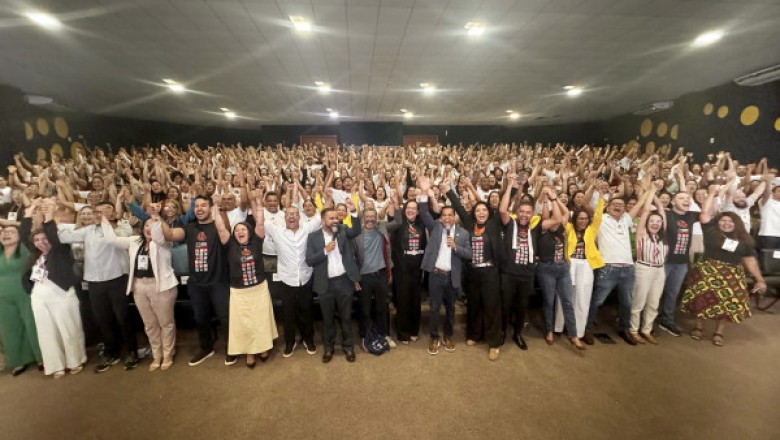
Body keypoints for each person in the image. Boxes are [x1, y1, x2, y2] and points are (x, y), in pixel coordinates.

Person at [680, 186, 767, 346]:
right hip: (707, 271)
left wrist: (759, 279)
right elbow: (705, 214)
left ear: (737, 224)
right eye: (723, 220)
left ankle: (719, 332)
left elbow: (750, 260)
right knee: (701, 300)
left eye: (730, 221)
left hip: (732, 274)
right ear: (718, 222)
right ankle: (698, 327)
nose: (726, 223)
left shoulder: (744, 239)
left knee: (726, 303)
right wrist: (712, 193)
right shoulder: (711, 231)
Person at [58, 201, 138, 372]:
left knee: (123, 317)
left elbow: (113, 240)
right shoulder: (88, 230)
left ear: (113, 213)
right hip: (94, 281)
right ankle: (112, 352)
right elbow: (65, 236)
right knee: (103, 319)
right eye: (97, 211)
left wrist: (105, 222)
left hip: (117, 278)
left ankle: (132, 351)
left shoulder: (121, 228)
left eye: (105, 210)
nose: (99, 213)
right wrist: (54, 219)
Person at [100, 214, 178, 371]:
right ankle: (157, 354)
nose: (149, 228)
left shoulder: (163, 242)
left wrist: (156, 220)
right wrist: (103, 220)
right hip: (139, 286)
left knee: (165, 323)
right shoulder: (134, 241)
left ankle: (168, 353)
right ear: (142, 229)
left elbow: (158, 236)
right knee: (150, 324)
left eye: (152, 225)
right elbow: (112, 240)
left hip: (161, 286)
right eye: (146, 226)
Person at [161, 196, 232, 367]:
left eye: (203, 205)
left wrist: (220, 210)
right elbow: (169, 235)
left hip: (219, 281)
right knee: (200, 318)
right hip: (197, 283)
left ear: (210, 207)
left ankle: (232, 348)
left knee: (225, 317)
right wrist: (157, 217)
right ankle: (206, 348)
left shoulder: (218, 225)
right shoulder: (190, 227)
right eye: (197, 206)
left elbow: (227, 233)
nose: (199, 209)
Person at [21, 199, 86, 378]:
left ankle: (75, 360)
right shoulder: (36, 255)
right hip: (39, 296)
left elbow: (52, 233)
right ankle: (55, 365)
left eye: (44, 239)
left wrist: (49, 215)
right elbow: (24, 233)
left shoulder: (61, 250)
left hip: (62, 293)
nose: (41, 242)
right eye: (37, 240)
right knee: (46, 332)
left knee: (68, 327)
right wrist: (31, 210)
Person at [213, 191, 277, 368]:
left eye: (243, 229)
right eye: (237, 230)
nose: (240, 231)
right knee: (245, 321)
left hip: (259, 287)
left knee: (260, 318)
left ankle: (263, 346)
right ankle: (250, 351)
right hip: (239, 291)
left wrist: (257, 202)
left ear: (249, 232)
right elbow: (219, 227)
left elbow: (260, 221)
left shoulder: (257, 241)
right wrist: (216, 207)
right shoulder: (230, 244)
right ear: (233, 234)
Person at [442, 178, 503, 361]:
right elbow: (460, 209)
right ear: (474, 214)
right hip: (473, 272)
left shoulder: (493, 225)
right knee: (474, 304)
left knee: (491, 306)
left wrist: (470, 187)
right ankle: (475, 334)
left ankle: (494, 343)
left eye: (484, 210)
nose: (481, 213)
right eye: (478, 210)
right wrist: (449, 191)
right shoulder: (470, 225)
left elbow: (495, 209)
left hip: (490, 271)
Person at [416, 176, 472, 355]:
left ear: (455, 217)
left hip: (452, 276)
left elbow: (469, 254)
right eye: (444, 215)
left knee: (450, 308)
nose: (447, 218)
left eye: (450, 215)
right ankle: (434, 337)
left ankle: (448, 335)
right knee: (433, 308)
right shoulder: (436, 228)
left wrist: (456, 247)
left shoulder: (463, 234)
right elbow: (424, 213)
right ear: (441, 218)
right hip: (435, 274)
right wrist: (424, 192)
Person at [305, 202, 362, 363]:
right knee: (327, 319)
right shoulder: (313, 237)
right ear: (323, 221)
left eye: (336, 218)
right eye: (331, 218)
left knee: (346, 317)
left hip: (344, 281)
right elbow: (309, 260)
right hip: (325, 285)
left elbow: (357, 230)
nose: (335, 220)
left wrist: (353, 211)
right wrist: (324, 251)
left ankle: (348, 347)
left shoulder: (343, 231)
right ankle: (329, 348)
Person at [583, 195, 643, 346]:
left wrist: (651, 189)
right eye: (614, 204)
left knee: (627, 302)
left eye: (621, 205)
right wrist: (601, 194)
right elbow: (586, 205)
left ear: (625, 208)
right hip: (608, 267)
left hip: (628, 268)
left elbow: (639, 204)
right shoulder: (601, 219)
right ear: (607, 207)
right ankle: (586, 329)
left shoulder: (626, 220)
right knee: (597, 300)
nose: (618, 206)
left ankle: (625, 329)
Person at [263, 203, 321, 358]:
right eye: (288, 214)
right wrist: (256, 202)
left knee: (307, 312)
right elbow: (260, 219)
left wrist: (325, 198)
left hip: (305, 278)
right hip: (286, 280)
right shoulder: (276, 231)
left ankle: (308, 339)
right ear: (284, 217)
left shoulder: (307, 229)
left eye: (295, 214)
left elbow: (321, 215)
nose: (291, 216)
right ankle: (290, 342)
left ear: (299, 217)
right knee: (288, 314)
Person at [534, 187, 585, 351]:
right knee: (549, 301)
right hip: (546, 267)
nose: (554, 221)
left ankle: (573, 335)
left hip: (562, 268)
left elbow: (564, 215)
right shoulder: (542, 229)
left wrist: (553, 198)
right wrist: (549, 199)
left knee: (567, 302)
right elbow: (556, 217)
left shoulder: (562, 228)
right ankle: (549, 330)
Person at [555, 196, 605, 339]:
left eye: (585, 219)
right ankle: (559, 327)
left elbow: (598, 216)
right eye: (580, 219)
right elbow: (564, 214)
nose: (583, 221)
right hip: (570, 263)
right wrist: (556, 199)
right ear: (575, 219)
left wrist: (601, 198)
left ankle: (578, 331)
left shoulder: (592, 229)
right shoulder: (569, 228)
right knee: (564, 296)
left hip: (586, 264)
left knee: (583, 298)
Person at [498, 173, 537, 351]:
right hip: (509, 273)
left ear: (532, 214)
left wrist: (549, 196)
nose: (524, 215)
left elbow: (559, 218)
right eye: (521, 211)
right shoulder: (511, 223)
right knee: (505, 305)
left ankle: (517, 334)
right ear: (517, 212)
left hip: (526, 275)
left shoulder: (535, 228)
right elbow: (502, 210)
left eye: (527, 212)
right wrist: (510, 185)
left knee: (522, 307)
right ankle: (502, 333)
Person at [0, 222, 42, 376]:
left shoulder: (25, 250)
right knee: (10, 328)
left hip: (24, 292)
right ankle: (19, 361)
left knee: (31, 324)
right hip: (2, 297)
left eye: (11, 232)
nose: (6, 234)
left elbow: (27, 231)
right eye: (3, 232)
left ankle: (40, 357)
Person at [656, 191, 699, 337]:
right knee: (655, 292)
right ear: (673, 202)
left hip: (681, 262)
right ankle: (645, 320)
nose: (686, 200)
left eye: (688, 198)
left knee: (673, 293)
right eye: (681, 198)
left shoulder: (691, 216)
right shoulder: (666, 215)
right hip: (665, 260)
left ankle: (666, 319)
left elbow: (707, 210)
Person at [628, 189, 667, 344]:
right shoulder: (642, 234)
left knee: (653, 302)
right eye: (652, 221)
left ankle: (646, 330)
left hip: (659, 269)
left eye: (658, 221)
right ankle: (633, 330)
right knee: (639, 301)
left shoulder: (662, 236)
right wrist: (651, 191)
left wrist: (656, 195)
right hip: (643, 267)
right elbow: (645, 210)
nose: (655, 223)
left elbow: (662, 210)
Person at [386, 198, 426, 344]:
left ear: (418, 211)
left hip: (416, 269)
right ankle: (403, 332)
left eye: (414, 208)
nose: (410, 210)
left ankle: (414, 330)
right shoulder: (399, 223)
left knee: (415, 301)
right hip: (401, 269)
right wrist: (393, 203)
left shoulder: (421, 224)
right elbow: (392, 217)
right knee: (402, 301)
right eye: (408, 208)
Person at [354, 207, 395, 349]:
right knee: (365, 309)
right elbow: (352, 259)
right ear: (362, 218)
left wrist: (395, 203)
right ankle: (366, 337)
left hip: (381, 274)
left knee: (382, 307)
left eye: (373, 216)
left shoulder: (382, 228)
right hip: (364, 277)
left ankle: (384, 334)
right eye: (367, 216)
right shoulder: (356, 234)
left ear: (377, 218)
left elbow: (399, 221)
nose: (370, 219)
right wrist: (354, 278)